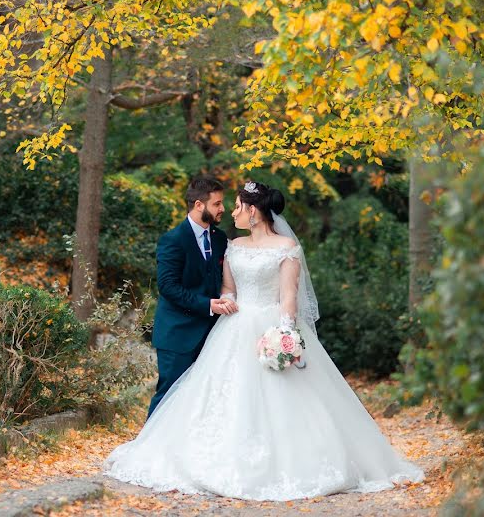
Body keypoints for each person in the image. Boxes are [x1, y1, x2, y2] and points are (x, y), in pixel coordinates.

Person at [104, 181, 423, 501]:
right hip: (234, 327)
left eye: (237, 206)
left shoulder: (286, 247)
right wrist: (224, 301)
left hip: (272, 326)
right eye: (223, 205)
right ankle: (166, 446)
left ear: (253, 211)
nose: (231, 211)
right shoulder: (233, 245)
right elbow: (228, 288)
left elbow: (288, 297)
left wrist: (284, 335)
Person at [147, 176, 236, 419]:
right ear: (199, 205)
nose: (222, 209)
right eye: (217, 204)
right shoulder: (172, 240)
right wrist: (207, 305)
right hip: (178, 334)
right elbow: (167, 286)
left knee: (203, 399)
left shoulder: (219, 239)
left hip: (213, 336)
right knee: (168, 395)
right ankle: (148, 451)